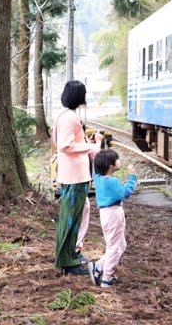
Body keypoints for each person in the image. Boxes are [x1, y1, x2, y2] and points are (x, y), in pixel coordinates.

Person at [53, 80, 99, 276]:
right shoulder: (70, 118)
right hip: (74, 175)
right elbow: (64, 145)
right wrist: (91, 147)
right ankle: (68, 260)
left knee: (81, 211)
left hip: (71, 173)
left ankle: (73, 251)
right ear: (80, 97)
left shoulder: (63, 115)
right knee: (72, 216)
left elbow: (59, 142)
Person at [89, 149, 137, 288]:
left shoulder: (97, 178)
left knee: (120, 245)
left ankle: (98, 266)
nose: (119, 161)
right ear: (110, 165)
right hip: (113, 214)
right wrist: (132, 177)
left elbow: (94, 168)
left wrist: (95, 152)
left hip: (106, 214)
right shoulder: (112, 181)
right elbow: (125, 193)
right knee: (114, 247)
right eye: (117, 159)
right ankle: (106, 278)